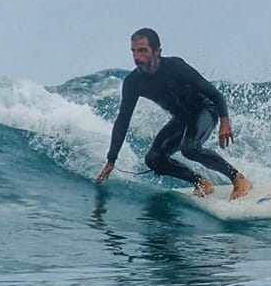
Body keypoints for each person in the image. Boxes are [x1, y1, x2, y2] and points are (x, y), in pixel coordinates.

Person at [96, 28, 253, 200]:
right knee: (153, 159)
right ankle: (201, 182)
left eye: (142, 51)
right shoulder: (133, 82)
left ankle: (238, 178)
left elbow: (215, 94)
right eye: (133, 51)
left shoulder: (175, 67)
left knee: (190, 148)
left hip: (205, 110)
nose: (136, 57)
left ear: (157, 51)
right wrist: (112, 159)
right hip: (182, 118)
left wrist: (224, 120)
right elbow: (122, 121)